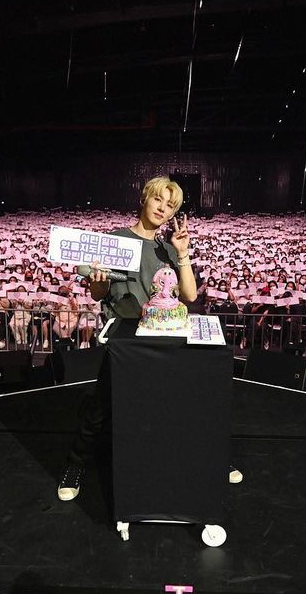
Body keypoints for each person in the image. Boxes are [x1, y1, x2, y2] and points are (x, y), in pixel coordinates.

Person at [59, 176, 241, 501]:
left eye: (171, 206)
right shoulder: (115, 240)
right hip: (124, 337)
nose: (163, 209)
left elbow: (189, 295)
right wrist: (98, 280)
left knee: (183, 403)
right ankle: (75, 465)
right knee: (101, 408)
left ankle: (211, 458)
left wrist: (182, 253)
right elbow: (99, 292)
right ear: (144, 198)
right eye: (159, 200)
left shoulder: (168, 248)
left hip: (161, 336)